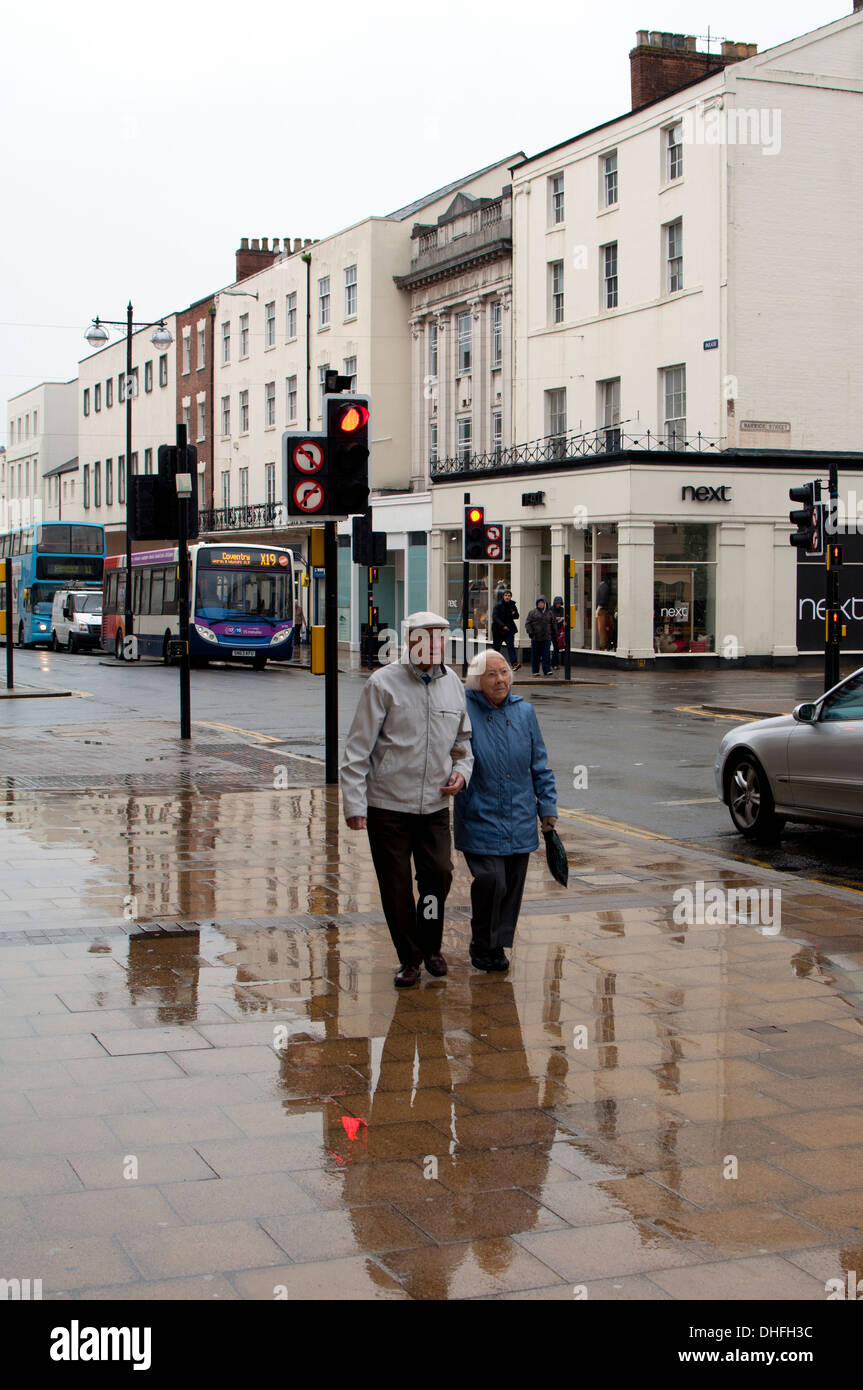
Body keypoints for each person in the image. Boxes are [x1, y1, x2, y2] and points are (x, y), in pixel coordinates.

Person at [340, 611, 474, 988]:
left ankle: (431, 945)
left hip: (434, 805)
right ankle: (410, 958)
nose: (435, 646)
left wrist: (461, 774)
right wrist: (354, 804)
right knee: (396, 886)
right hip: (387, 807)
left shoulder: (454, 686)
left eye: (441, 639)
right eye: (427, 638)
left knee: (438, 875)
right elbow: (357, 748)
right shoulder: (383, 684)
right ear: (411, 641)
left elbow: (463, 743)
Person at [454, 651, 558, 970]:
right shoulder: (464, 711)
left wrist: (548, 810)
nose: (501, 680)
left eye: (504, 672)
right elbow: (455, 754)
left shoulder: (524, 712)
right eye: (491, 675)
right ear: (476, 681)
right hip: (479, 814)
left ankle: (497, 946)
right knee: (491, 880)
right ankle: (481, 941)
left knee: (511, 888)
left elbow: (539, 764)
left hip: (520, 816)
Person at [491, 588, 521, 669]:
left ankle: (514, 663)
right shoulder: (498, 606)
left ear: (511, 597)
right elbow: (495, 618)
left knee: (511, 646)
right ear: (503, 596)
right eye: (506, 595)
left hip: (509, 630)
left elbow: (517, 616)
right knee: (496, 648)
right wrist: (502, 626)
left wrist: (514, 613)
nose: (507, 597)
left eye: (509, 595)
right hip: (498, 630)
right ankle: (494, 664)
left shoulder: (512, 605)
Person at [525, 595, 555, 675]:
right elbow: (528, 623)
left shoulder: (550, 613)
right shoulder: (532, 613)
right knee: (535, 656)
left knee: (546, 655)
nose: (540, 604)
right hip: (536, 637)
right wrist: (530, 632)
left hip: (546, 637)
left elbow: (553, 624)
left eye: (542, 602)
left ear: (545, 603)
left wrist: (554, 633)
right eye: (539, 603)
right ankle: (535, 671)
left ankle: (547, 670)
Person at [550, 596, 565, 669]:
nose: (558, 605)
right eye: (557, 603)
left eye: (560, 603)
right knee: (555, 647)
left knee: (557, 648)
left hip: (559, 631)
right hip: (552, 631)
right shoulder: (551, 610)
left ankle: (554, 663)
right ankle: (554, 663)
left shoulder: (562, 610)